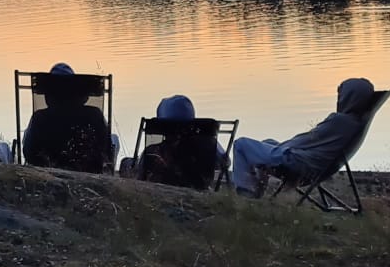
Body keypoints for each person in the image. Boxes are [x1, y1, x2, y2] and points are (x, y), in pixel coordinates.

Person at [230, 78, 375, 198]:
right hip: (314, 165)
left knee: (241, 144)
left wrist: (283, 148)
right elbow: (311, 140)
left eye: (341, 94)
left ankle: (247, 194)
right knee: (267, 143)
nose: (339, 98)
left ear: (349, 97)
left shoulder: (340, 121)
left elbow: (308, 139)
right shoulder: (354, 123)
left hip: (300, 165)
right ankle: (256, 191)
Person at [21, 62, 113, 172]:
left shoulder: (40, 118)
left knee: (27, 133)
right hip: (89, 172)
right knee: (115, 138)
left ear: (49, 95)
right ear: (78, 93)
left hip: (47, 174)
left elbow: (29, 153)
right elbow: (106, 150)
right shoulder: (95, 115)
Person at [137, 94, 223, 189]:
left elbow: (141, 175)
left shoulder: (153, 151)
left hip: (159, 190)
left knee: (127, 163)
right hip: (197, 189)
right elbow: (224, 162)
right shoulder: (206, 145)